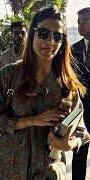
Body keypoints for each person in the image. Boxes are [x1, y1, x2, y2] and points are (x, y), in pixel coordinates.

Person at [0, 7, 90, 179]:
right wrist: (32, 120)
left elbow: (82, 131)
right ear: (32, 34)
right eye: (43, 33)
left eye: (57, 36)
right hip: (10, 173)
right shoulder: (8, 75)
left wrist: (69, 143)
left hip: (50, 173)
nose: (50, 41)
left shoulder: (66, 83)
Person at [71, 7, 90, 180]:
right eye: (78, 23)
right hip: (79, 110)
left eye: (84, 21)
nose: (80, 26)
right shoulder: (73, 49)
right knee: (78, 151)